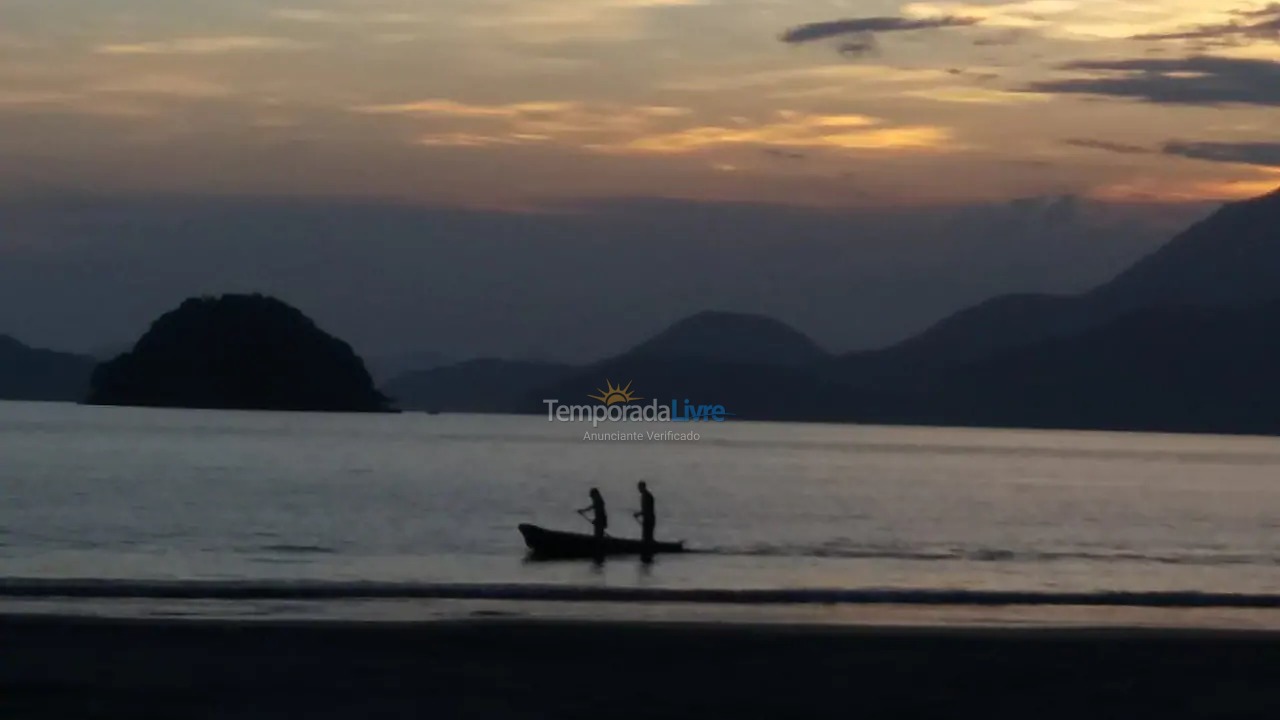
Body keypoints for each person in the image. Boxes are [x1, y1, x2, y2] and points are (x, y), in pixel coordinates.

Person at [633, 481, 655, 547]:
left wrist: (637, 514)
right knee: (648, 538)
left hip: (648, 519)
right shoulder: (647, 495)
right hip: (649, 518)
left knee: (647, 539)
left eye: (639, 487)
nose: (638, 489)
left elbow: (645, 510)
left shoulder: (646, 496)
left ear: (643, 487)